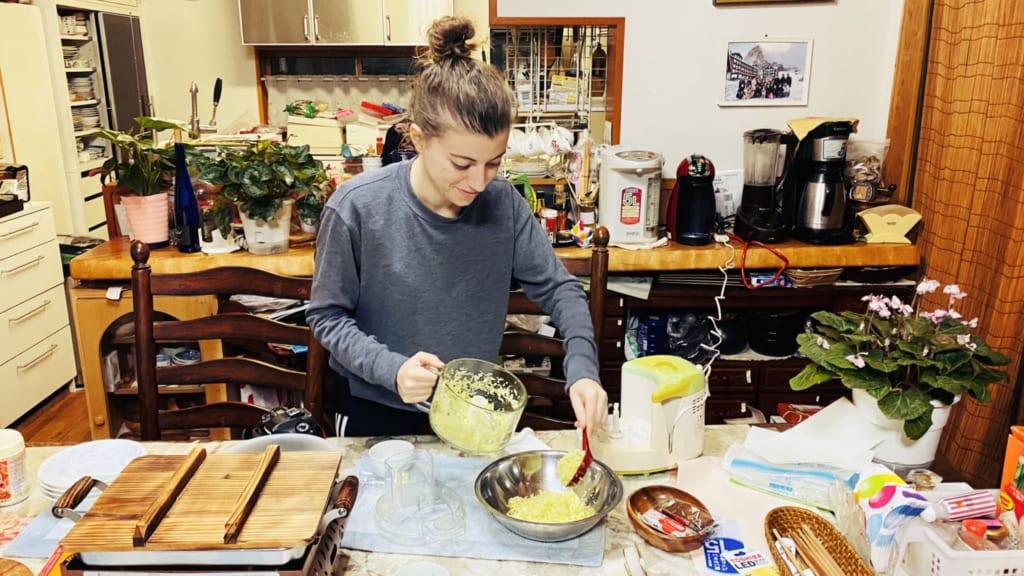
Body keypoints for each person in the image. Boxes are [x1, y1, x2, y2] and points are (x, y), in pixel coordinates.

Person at [307, 16, 608, 437]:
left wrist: (582, 368)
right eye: (462, 164)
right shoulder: (357, 207)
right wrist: (392, 370)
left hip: (472, 410)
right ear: (419, 138)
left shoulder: (503, 204)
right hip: (374, 411)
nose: (478, 182)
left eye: (494, 162)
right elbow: (327, 317)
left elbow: (561, 291)